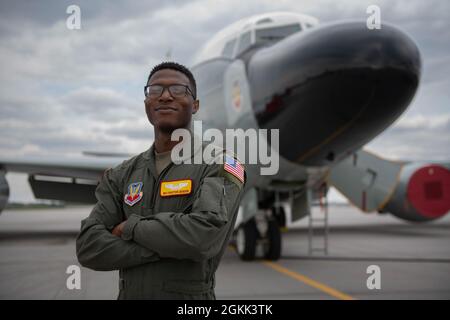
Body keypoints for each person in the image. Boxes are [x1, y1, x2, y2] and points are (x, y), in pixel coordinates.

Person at [76, 61, 245, 299]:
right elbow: (88, 247)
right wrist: (164, 247)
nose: (165, 96)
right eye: (155, 90)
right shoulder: (121, 174)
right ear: (147, 103)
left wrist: (130, 227)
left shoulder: (221, 164)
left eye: (178, 90)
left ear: (195, 105)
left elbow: (202, 239)